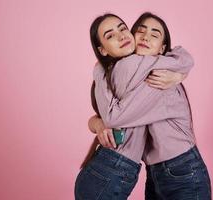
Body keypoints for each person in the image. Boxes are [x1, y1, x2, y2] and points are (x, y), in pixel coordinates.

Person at [75, 13, 193, 200]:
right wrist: (180, 73)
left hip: (110, 169)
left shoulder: (113, 72)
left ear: (162, 47)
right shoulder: (130, 67)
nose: (121, 35)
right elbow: (183, 58)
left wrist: (97, 123)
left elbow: (101, 118)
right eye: (110, 35)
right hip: (114, 171)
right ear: (103, 50)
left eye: (123, 28)